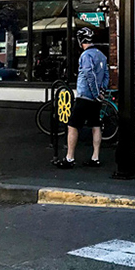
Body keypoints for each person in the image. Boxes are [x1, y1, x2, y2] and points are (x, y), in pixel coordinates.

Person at [53, 27, 108, 169]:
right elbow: (106, 75)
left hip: (85, 97)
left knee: (72, 125)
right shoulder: (101, 55)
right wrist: (102, 91)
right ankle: (95, 157)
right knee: (95, 125)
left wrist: (95, 93)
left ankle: (69, 158)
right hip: (97, 100)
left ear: (80, 40)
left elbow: (89, 75)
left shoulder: (85, 56)